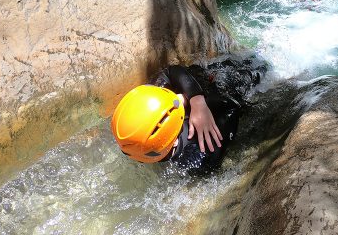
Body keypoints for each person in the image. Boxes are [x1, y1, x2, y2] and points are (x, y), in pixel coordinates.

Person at [111, 61, 263, 173]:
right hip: (233, 92)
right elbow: (233, 108)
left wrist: (196, 101)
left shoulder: (153, 103)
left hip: (213, 77)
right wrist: (194, 101)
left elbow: (171, 71)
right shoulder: (199, 156)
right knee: (259, 69)